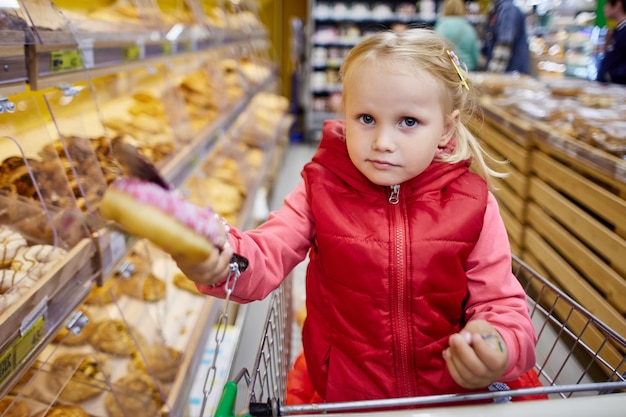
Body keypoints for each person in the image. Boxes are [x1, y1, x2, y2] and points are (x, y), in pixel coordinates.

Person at [175, 28, 539, 403]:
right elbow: (268, 252)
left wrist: (497, 345)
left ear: (446, 129)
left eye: (408, 122)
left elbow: (500, 302)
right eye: (366, 118)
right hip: (348, 396)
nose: (382, 142)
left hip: (448, 397)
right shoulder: (320, 189)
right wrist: (222, 261)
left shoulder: (472, 203)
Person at [481, 0, 530, 73]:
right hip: (509, 72)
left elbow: (505, 44)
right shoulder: (497, 9)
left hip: (511, 71)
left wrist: (493, 74)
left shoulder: (507, 9)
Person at [435, 0, 480, 71]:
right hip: (467, 70)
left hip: (448, 69)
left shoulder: (441, 25)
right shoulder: (469, 28)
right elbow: (475, 56)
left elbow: (437, 50)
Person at [597, 0, 626, 84]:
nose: (604, 7)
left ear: (618, 4)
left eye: (607, 4)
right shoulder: (618, 30)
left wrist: (610, 75)